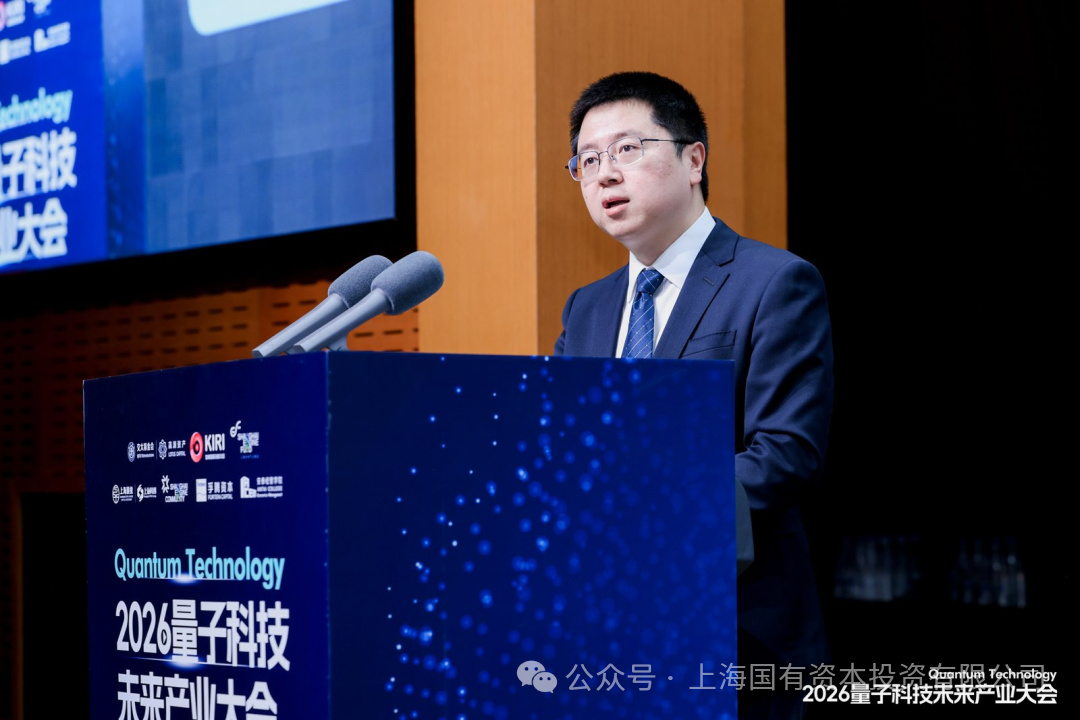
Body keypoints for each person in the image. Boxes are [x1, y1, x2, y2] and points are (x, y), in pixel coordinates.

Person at [553, 71, 834, 719]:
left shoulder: (775, 282)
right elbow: (570, 455)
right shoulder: (586, 308)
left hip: (736, 628)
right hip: (612, 627)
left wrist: (646, 514)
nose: (604, 174)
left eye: (627, 149)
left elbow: (786, 454)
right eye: (587, 160)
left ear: (694, 160)